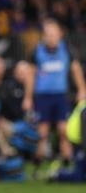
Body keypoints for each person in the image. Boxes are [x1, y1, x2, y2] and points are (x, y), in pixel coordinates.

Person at [23, 17, 86, 177]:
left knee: (64, 130)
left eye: (53, 34)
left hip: (60, 96)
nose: (51, 37)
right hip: (43, 97)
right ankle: (37, 165)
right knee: (42, 132)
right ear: (43, 36)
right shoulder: (37, 52)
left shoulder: (67, 50)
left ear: (59, 34)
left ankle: (68, 164)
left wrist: (82, 89)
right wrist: (28, 97)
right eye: (48, 34)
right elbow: (31, 75)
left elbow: (76, 70)